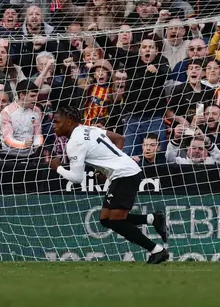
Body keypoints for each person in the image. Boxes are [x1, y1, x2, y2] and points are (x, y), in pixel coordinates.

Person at [50, 106, 169, 264]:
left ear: (69, 121)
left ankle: (157, 250)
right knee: (106, 219)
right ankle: (153, 218)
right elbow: (119, 138)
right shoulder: (88, 129)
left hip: (125, 174)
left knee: (116, 220)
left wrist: (57, 167)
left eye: (57, 122)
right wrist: (109, 166)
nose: (54, 126)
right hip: (124, 171)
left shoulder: (75, 143)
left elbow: (77, 178)